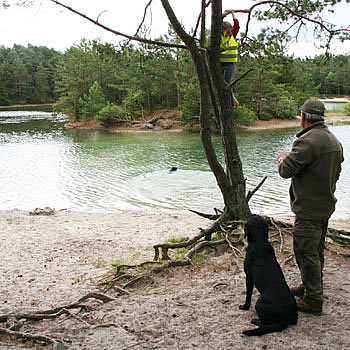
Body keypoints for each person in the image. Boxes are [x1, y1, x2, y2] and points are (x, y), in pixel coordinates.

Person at [277, 99, 344, 316]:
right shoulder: (334, 141)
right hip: (325, 205)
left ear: (304, 117)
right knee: (315, 250)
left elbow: (285, 171)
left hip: (308, 208)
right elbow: (337, 172)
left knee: (305, 252)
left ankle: (313, 300)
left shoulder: (306, 142)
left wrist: (282, 158)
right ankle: (310, 286)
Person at [221, 9, 239, 108]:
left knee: (227, 83)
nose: (229, 33)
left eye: (230, 31)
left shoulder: (233, 36)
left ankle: (232, 104)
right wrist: (222, 16)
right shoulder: (219, 37)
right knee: (221, 83)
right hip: (220, 63)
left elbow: (236, 24)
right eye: (228, 32)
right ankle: (233, 99)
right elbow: (216, 23)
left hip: (230, 64)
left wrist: (232, 13)